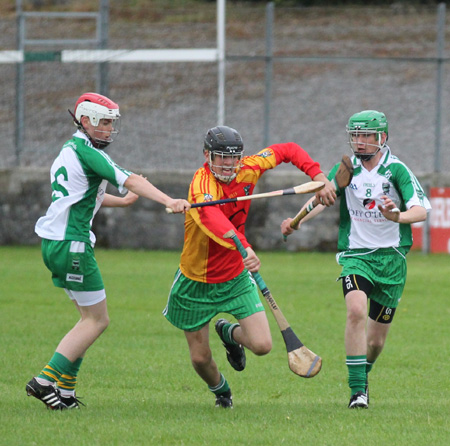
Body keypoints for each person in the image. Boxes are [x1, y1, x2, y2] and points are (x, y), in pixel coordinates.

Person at [26, 92, 190, 410]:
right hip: (72, 244)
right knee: (97, 321)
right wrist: (169, 200)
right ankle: (44, 382)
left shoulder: (69, 150)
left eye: (111, 124)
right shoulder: (88, 152)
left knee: (86, 320)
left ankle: (66, 391)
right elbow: (126, 177)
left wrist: (125, 199)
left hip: (54, 244)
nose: (108, 130)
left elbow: (84, 194)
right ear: (85, 120)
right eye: (103, 123)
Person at [163, 125, 336, 408]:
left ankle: (228, 332)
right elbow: (214, 221)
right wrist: (245, 246)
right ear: (207, 155)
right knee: (200, 358)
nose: (229, 164)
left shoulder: (249, 168)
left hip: (235, 276)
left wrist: (318, 177)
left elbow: (288, 149)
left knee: (263, 346)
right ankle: (221, 390)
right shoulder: (201, 185)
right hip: (196, 280)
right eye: (222, 157)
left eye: (234, 157)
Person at [281, 110, 431, 409]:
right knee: (355, 311)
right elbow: (323, 198)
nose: (359, 143)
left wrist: (396, 215)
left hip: (391, 260)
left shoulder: (397, 170)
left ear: (382, 138)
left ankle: (364, 374)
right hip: (356, 256)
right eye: (355, 136)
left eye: (366, 136)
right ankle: (357, 392)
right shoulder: (346, 169)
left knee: (375, 342)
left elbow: (421, 211)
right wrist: (296, 220)